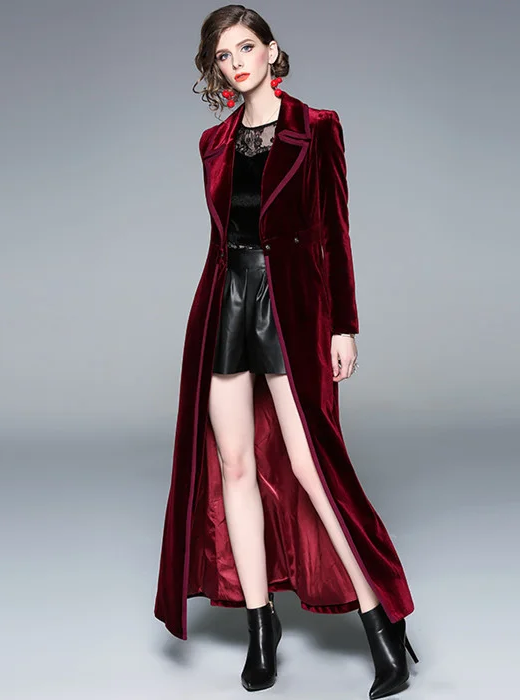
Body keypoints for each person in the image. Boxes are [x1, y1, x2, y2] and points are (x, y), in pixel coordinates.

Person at [155, 5, 419, 698]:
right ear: (215, 68)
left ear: (272, 51)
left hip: (293, 307)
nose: (236, 63)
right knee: (234, 464)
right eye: (223, 55)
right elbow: (222, 237)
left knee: (311, 467)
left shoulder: (317, 127)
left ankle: (381, 622)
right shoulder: (213, 141)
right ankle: (260, 626)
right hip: (225, 304)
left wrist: (343, 326)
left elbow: (336, 232)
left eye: (246, 48)